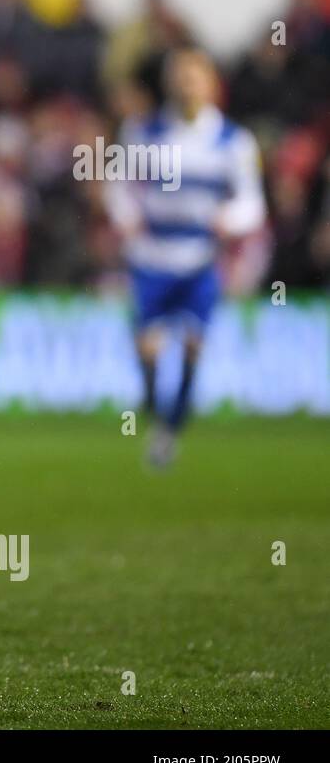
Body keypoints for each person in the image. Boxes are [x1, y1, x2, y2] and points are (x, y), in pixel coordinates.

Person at [104, 48, 266, 468]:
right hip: (151, 254)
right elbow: (118, 185)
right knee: (149, 349)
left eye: (194, 77)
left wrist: (228, 220)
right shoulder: (143, 131)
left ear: (211, 83)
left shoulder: (234, 141)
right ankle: (158, 415)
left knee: (194, 345)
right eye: (179, 76)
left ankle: (171, 429)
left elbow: (252, 203)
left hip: (199, 256)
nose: (185, 84)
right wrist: (126, 217)